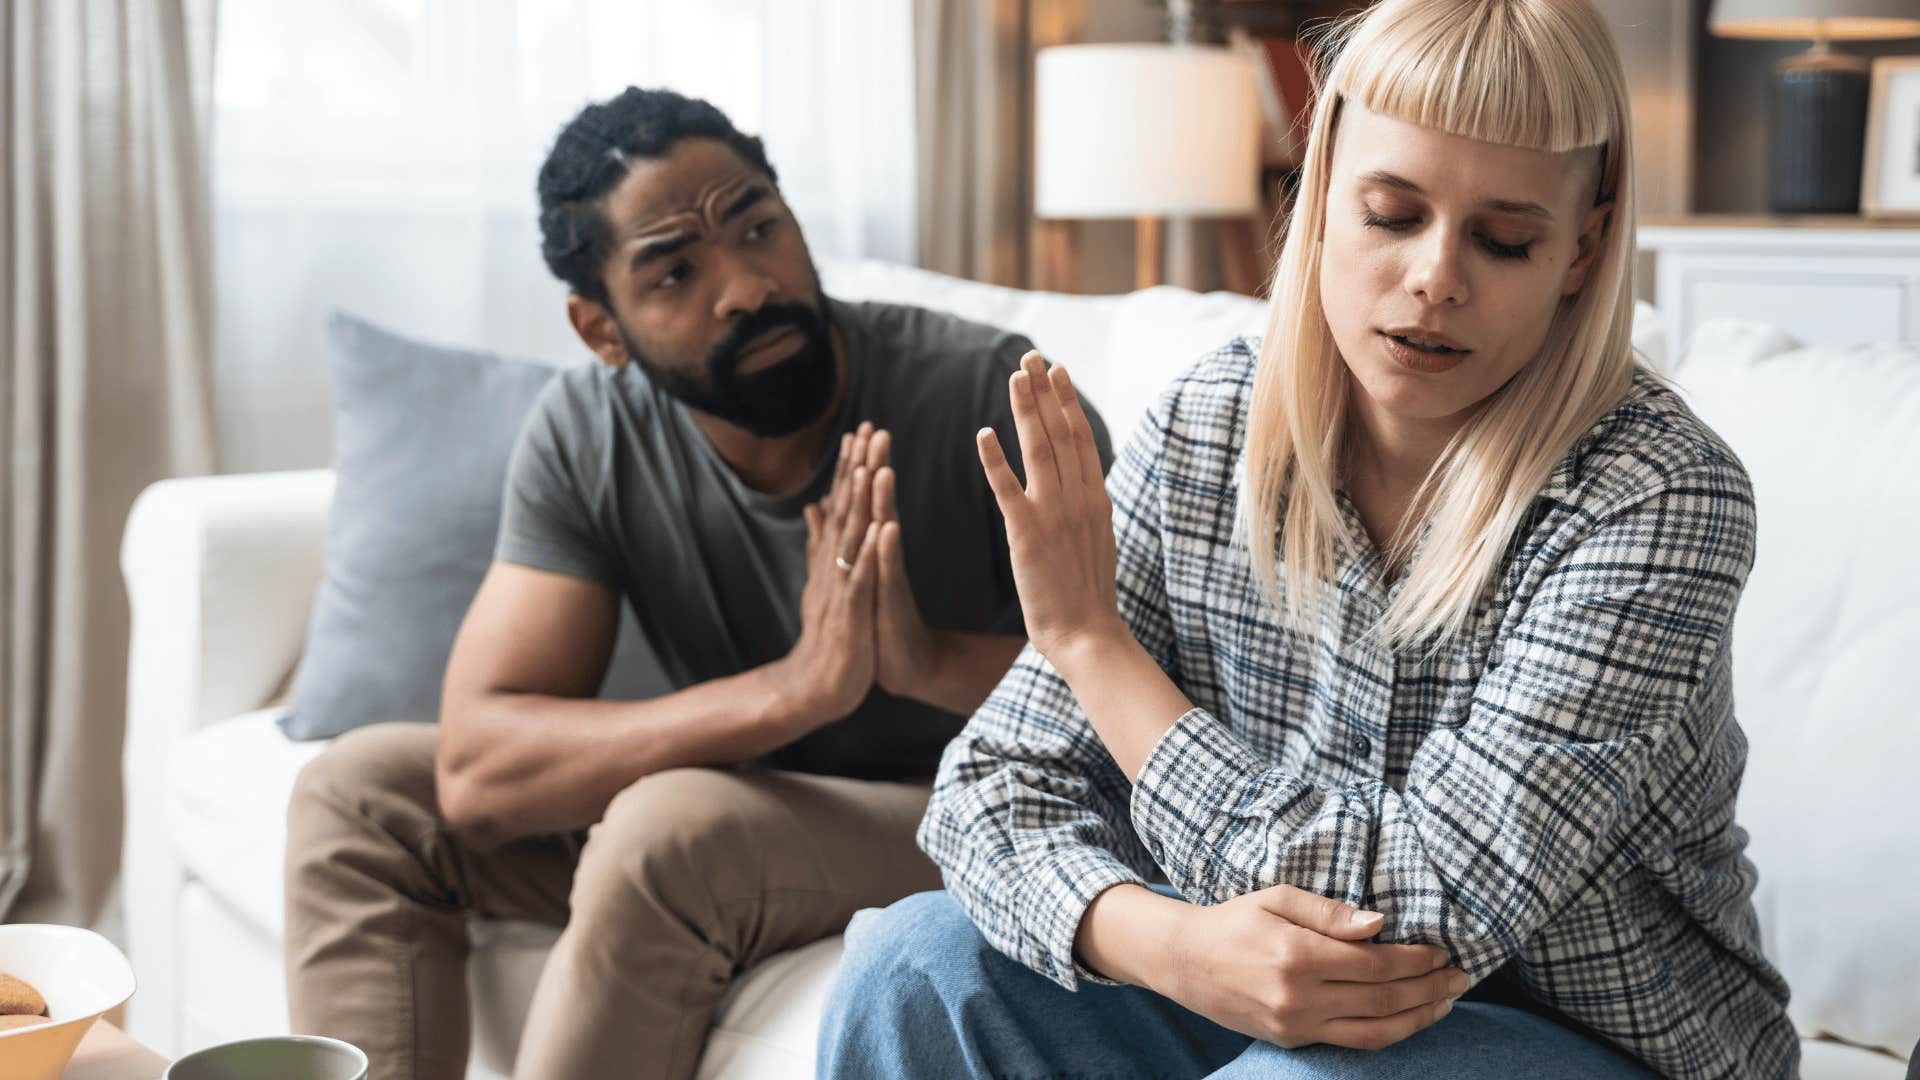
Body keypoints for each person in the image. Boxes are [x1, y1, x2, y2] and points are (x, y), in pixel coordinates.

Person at [818, 1, 1798, 1077]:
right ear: (1320, 190)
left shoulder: (1659, 497)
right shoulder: (1208, 426)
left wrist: (1097, 648)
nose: (1436, 277)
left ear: (1583, 249)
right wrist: (1168, 944)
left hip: (1592, 1043)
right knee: (910, 964)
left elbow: (1422, 908)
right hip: (1246, 988)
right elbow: (991, 791)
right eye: (1392, 214)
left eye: (1505, 238)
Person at [281, 86, 1111, 1080]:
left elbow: (1153, 697)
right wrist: (791, 693)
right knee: (362, 798)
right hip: (761, 804)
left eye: (759, 227)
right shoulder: (591, 433)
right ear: (602, 330)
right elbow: (479, 770)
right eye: (675, 271)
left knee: (668, 828)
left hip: (968, 809)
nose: (746, 287)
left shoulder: (994, 395)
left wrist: (924, 662)